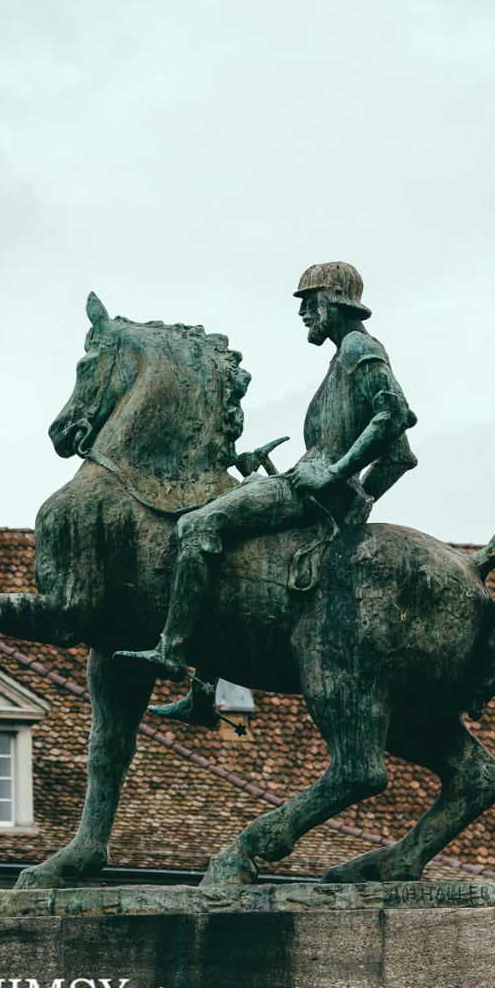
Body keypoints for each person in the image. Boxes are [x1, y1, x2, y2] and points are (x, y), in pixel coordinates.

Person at [117, 262, 419, 720]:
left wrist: (336, 478)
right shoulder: (349, 354)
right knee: (234, 539)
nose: (302, 313)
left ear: (332, 302)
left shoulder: (359, 348)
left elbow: (394, 415)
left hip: (308, 488)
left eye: (308, 302)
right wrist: (357, 499)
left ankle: (171, 650)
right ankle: (203, 696)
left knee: (198, 525)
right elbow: (401, 457)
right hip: (308, 483)